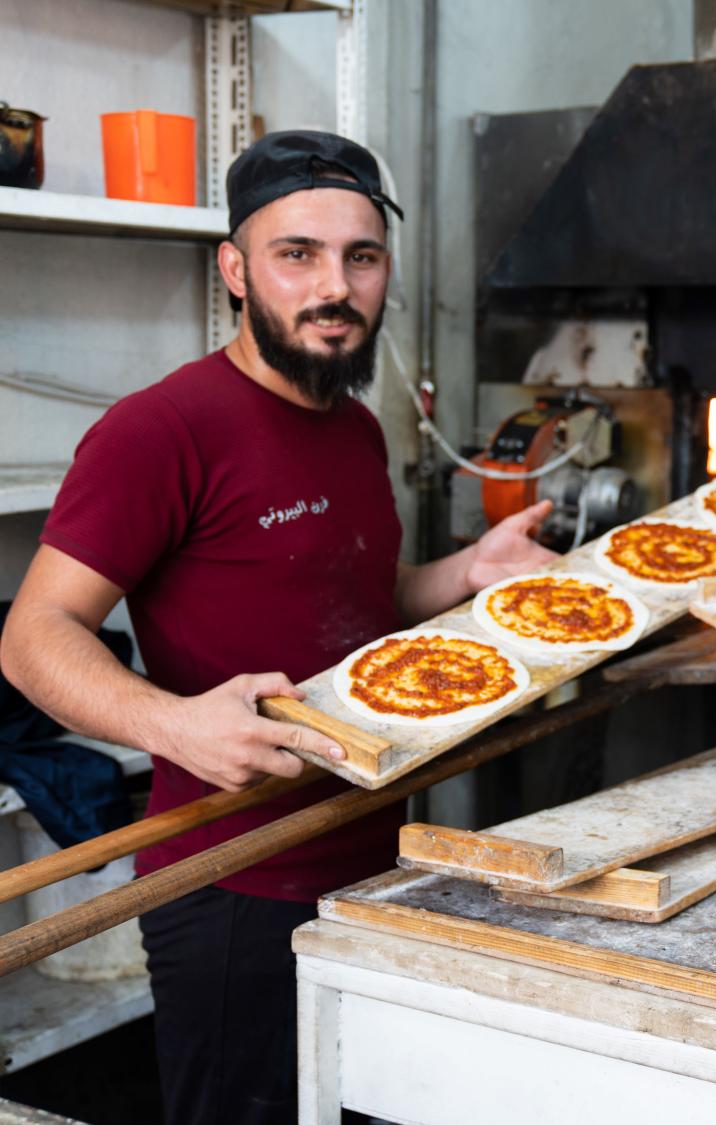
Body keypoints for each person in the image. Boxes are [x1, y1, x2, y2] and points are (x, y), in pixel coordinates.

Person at [0, 131, 557, 1125]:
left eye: (361, 256)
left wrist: (465, 575)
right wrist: (171, 725)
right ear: (235, 269)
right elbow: (35, 634)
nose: (332, 286)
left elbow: (356, 599)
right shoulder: (159, 430)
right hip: (233, 886)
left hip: (377, 851)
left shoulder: (353, 423)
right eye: (295, 254)